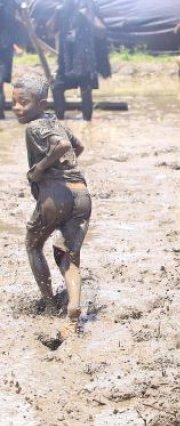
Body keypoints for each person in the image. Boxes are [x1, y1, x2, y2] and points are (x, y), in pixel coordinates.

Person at [11, 75, 92, 337]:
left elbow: (64, 146)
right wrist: (59, 165)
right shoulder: (55, 122)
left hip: (57, 197)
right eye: (13, 102)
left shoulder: (34, 127)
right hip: (81, 195)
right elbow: (78, 146)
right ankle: (73, 309)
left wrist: (40, 169)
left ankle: (48, 304)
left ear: (41, 103)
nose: (17, 107)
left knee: (33, 245)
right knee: (67, 255)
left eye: (24, 102)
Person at [50, 0, 110, 121]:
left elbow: (102, 31)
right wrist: (56, 12)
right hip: (66, 60)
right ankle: (60, 122)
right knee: (57, 88)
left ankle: (87, 123)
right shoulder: (63, 8)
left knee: (86, 93)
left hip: (85, 60)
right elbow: (51, 30)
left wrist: (88, 14)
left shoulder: (91, 6)